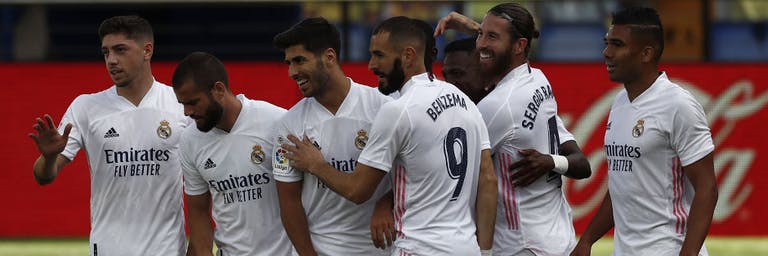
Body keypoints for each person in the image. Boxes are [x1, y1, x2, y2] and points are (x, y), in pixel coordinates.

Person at [283, 16, 498, 256]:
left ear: (408, 56)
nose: (371, 65)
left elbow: (358, 190)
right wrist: (486, 251)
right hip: (465, 247)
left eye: (379, 55)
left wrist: (316, 164)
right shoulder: (465, 102)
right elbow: (488, 180)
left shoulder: (397, 110)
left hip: (418, 247)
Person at [435, 3, 592, 255]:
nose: (481, 44)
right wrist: (552, 161)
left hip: (521, 246)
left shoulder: (497, 107)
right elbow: (582, 164)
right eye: (481, 35)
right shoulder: (539, 80)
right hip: (556, 239)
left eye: (491, 36)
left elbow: (446, 176)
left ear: (519, 45)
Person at [27, 15, 187, 256]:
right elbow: (43, 176)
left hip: (167, 250)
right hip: (109, 249)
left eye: (120, 50)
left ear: (147, 50)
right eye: (106, 52)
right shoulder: (85, 107)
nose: (111, 60)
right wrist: (49, 157)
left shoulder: (179, 104)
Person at [572, 7, 717, 256]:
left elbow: (707, 189)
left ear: (646, 53)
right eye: (607, 43)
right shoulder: (620, 103)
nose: (607, 53)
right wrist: (587, 240)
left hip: (668, 248)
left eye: (617, 44)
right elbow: (622, 185)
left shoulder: (678, 105)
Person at [271, 17, 393, 256]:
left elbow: (410, 174)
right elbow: (289, 203)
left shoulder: (382, 108)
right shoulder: (290, 125)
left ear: (329, 57)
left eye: (299, 61)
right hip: (323, 249)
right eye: (288, 63)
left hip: (383, 249)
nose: (292, 72)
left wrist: (386, 202)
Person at [172, 52, 293, 256]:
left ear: (218, 89)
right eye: (183, 104)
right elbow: (198, 211)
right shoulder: (189, 140)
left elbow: (301, 197)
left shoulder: (277, 122)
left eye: (193, 102)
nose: (186, 112)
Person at [441, 37, 489, 104]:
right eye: (445, 76)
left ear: (485, 71)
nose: (449, 83)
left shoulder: (501, 107)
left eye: (456, 73)